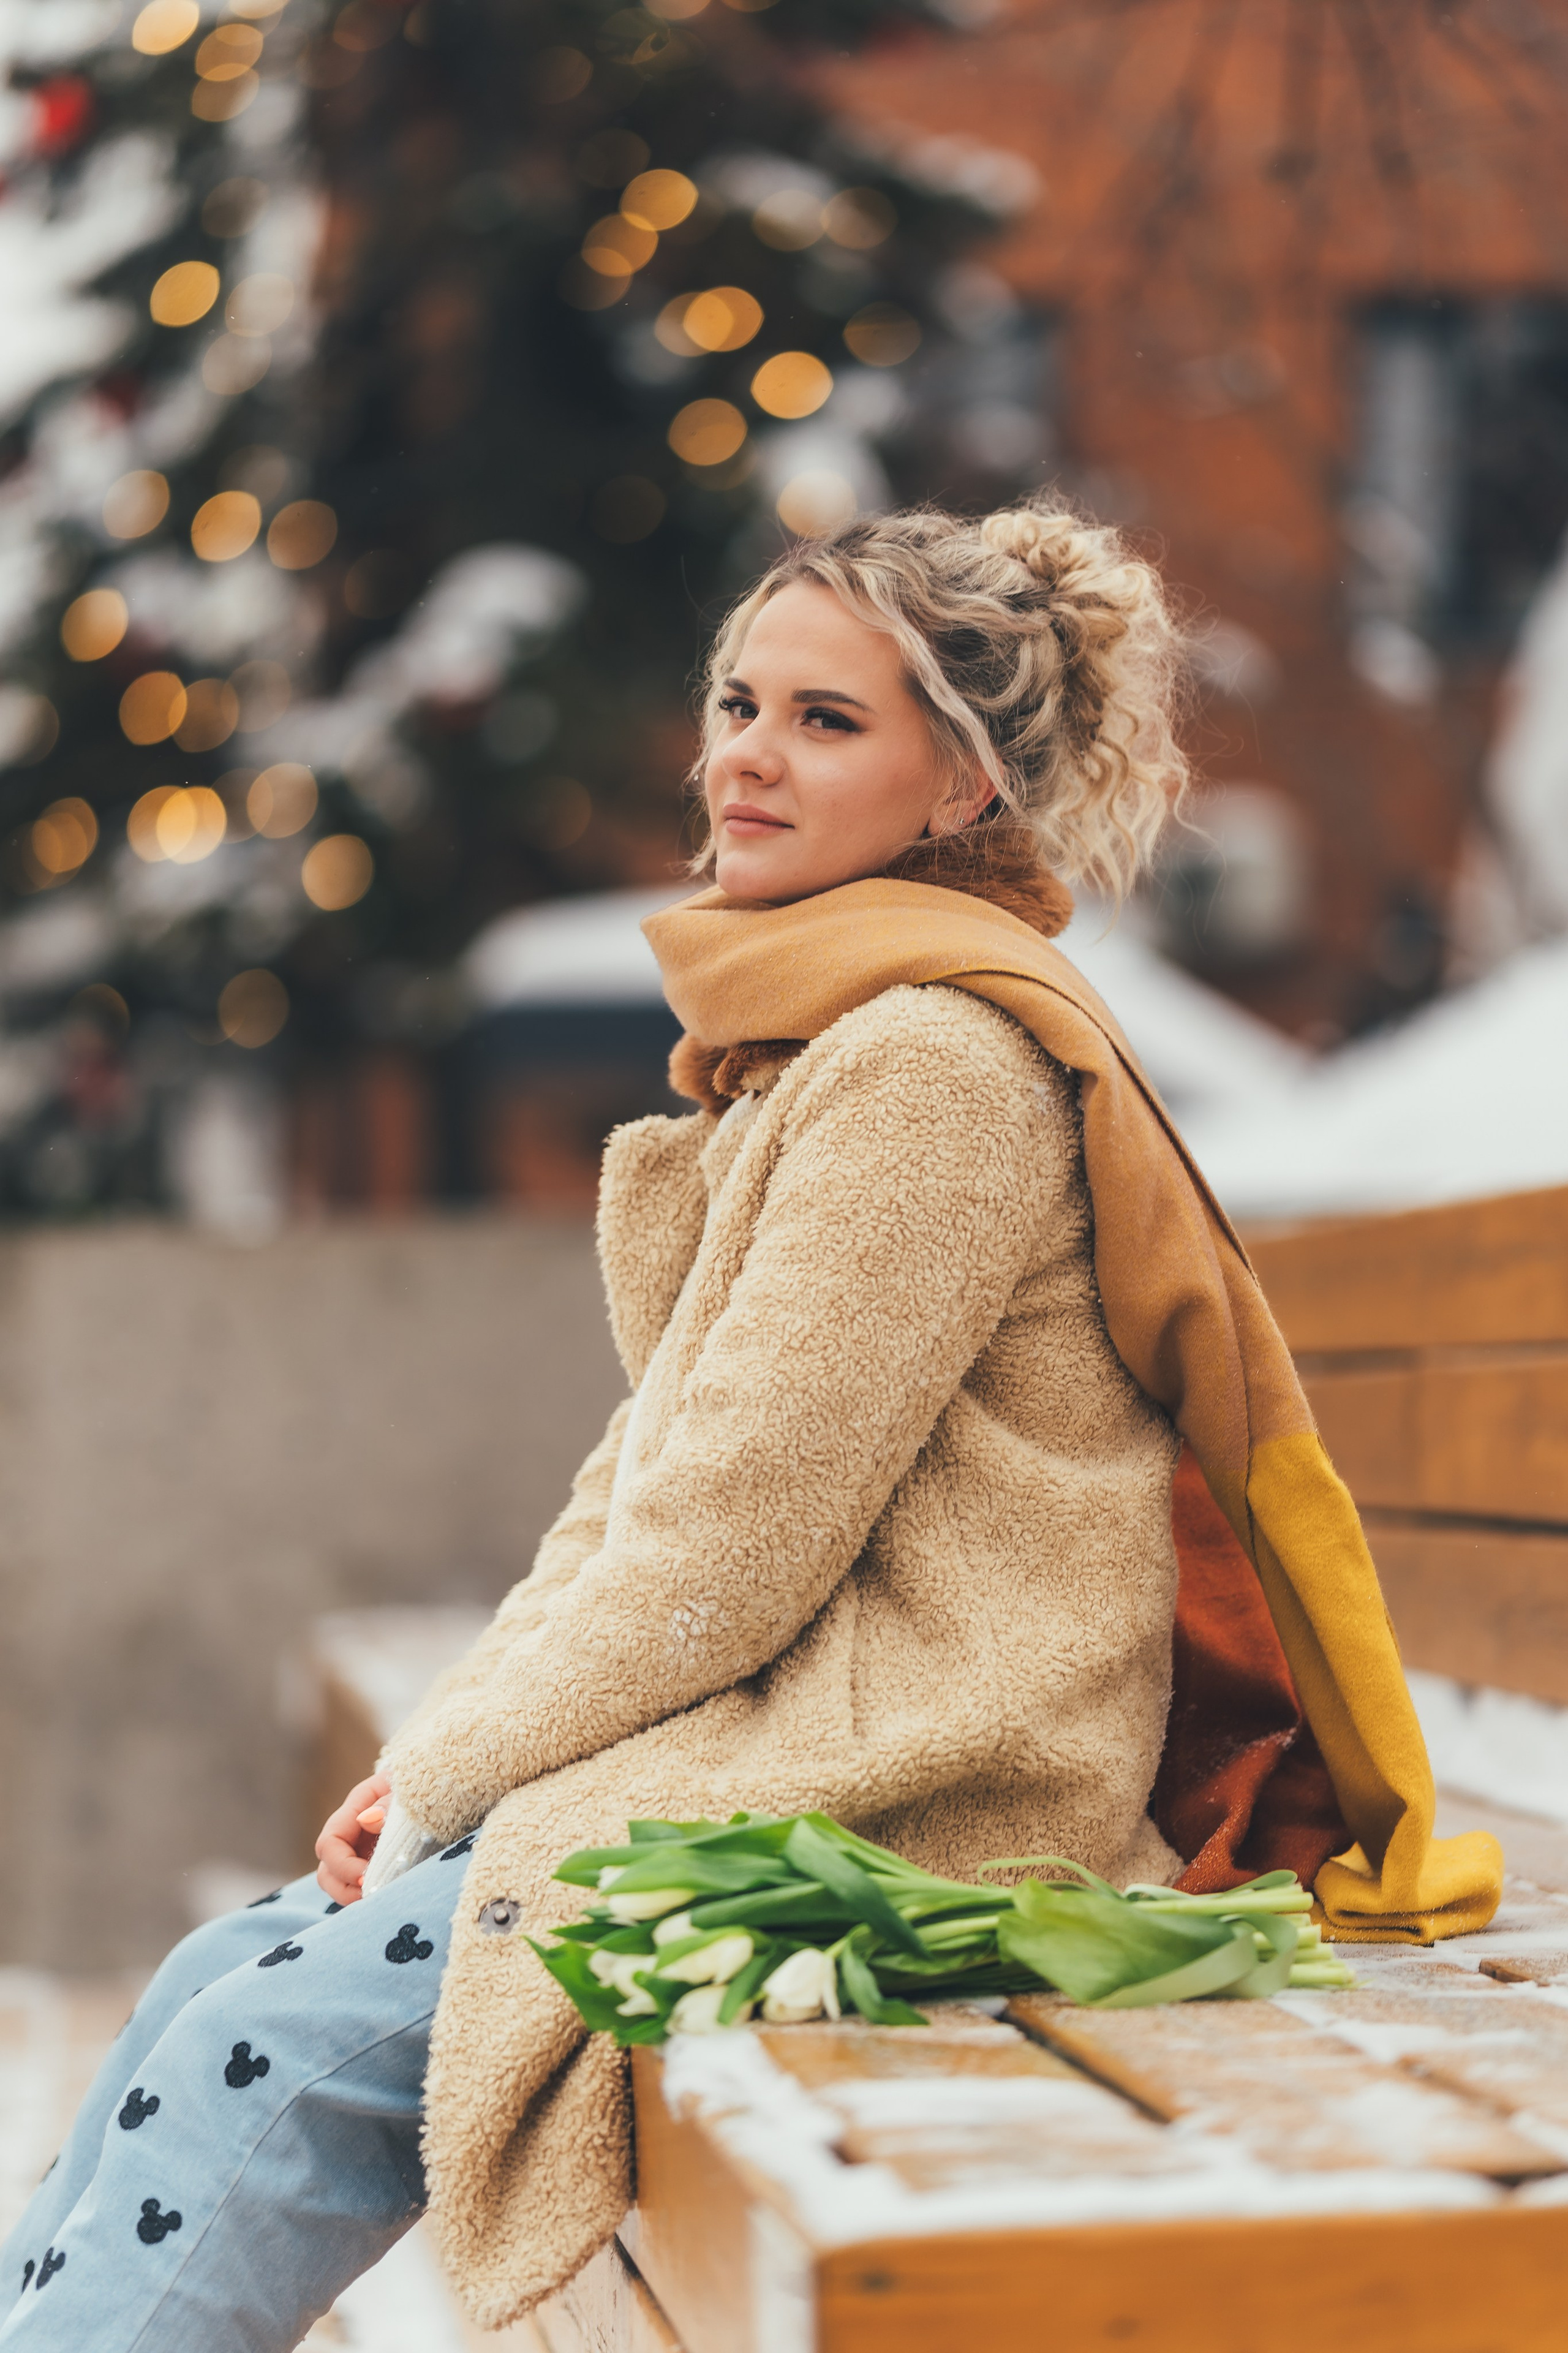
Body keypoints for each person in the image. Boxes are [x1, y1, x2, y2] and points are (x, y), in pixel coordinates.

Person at [0, 499, 1502, 2348]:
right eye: (737, 700)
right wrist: (446, 1751)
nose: (745, 755)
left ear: (961, 788)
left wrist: (467, 1769)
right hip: (812, 1720)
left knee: (265, 2051)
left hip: (935, 1770)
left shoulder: (929, 1066)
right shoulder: (817, 1048)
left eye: (824, 721)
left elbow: (731, 1539)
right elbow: (636, 1483)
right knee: (220, 1978)